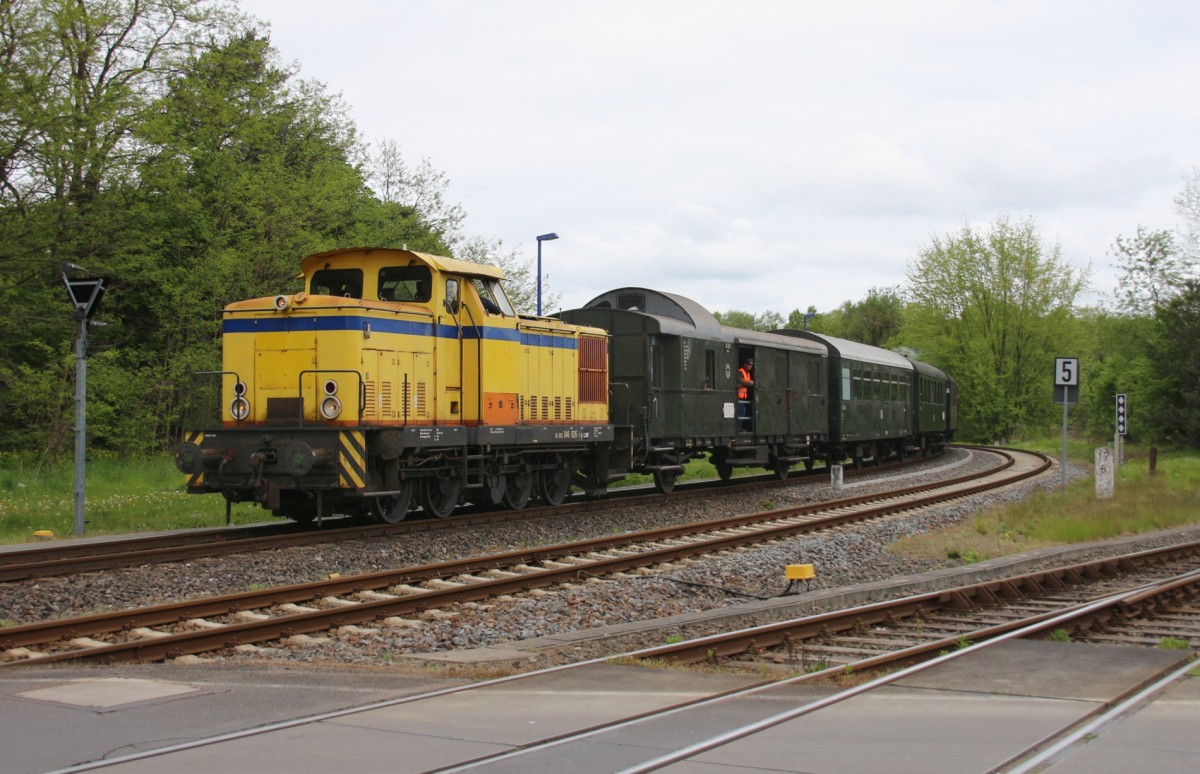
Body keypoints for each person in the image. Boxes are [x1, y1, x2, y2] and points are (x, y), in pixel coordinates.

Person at [737, 358, 754, 431]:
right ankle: (738, 428)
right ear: (745, 364)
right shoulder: (740, 371)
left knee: (743, 411)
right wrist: (749, 383)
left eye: (751, 365)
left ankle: (739, 427)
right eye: (749, 364)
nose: (750, 366)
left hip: (743, 397)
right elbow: (741, 381)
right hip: (738, 396)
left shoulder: (748, 373)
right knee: (742, 411)